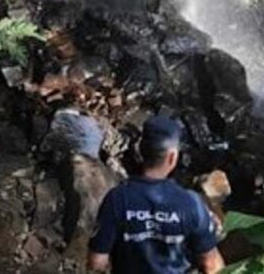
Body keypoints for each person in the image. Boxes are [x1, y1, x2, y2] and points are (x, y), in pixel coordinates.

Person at [87, 116, 225, 274]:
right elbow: (211, 264)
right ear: (172, 157)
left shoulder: (116, 199)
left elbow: (96, 262)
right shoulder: (191, 203)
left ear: (141, 151)